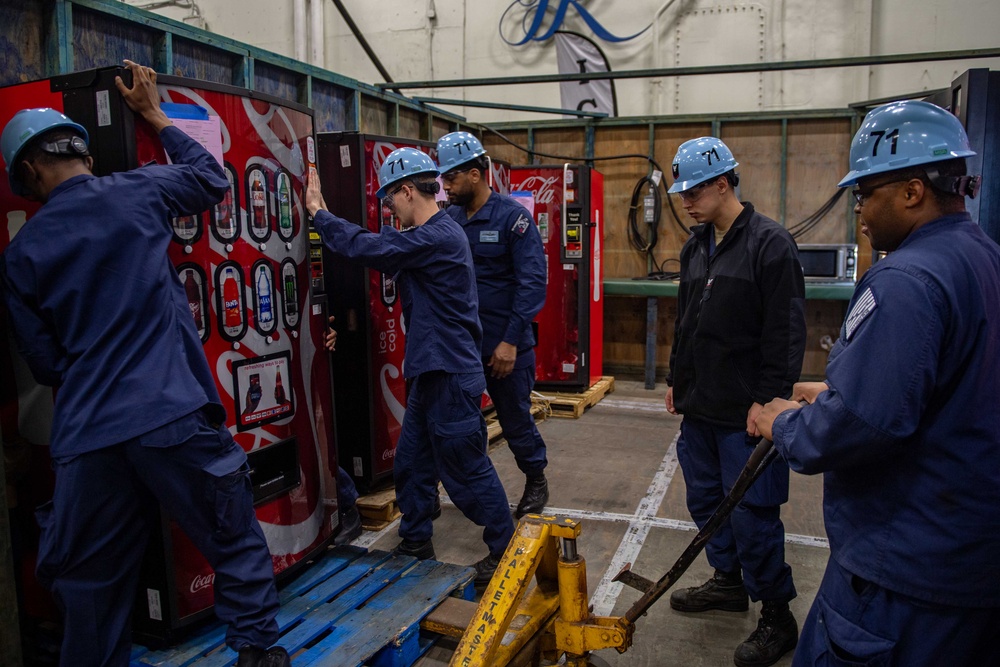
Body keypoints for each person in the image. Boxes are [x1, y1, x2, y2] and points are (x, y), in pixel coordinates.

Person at [0, 62, 289, 667]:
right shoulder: (140, 190)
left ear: (29, 171)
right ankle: (259, 657)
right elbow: (211, 178)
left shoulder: (22, 253)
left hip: (88, 435)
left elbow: (47, 363)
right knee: (232, 541)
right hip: (171, 413)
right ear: (81, 151)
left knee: (92, 586)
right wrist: (154, 115)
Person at [755, 100, 1000, 666]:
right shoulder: (981, 256)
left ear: (913, 191)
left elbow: (861, 425)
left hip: (904, 572)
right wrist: (837, 390)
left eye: (866, 192)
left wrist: (784, 424)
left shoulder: (905, 278)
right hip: (967, 558)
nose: (860, 209)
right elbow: (947, 385)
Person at [305, 147, 515, 586]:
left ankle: (506, 549)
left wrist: (320, 214)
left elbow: (371, 247)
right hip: (431, 370)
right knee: (412, 463)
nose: (387, 208)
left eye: (389, 200)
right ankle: (417, 539)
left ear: (406, 190)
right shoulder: (435, 234)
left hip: (450, 374)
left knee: (466, 468)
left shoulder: (437, 236)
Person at [664, 136, 806, 667]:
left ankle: (776, 613)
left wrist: (768, 402)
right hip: (701, 407)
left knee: (753, 513)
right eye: (682, 192)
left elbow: (786, 333)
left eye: (695, 190)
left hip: (747, 414)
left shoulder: (771, 245)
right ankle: (727, 581)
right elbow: (686, 321)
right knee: (706, 503)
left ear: (724, 183)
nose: (686, 201)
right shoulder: (696, 245)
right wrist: (679, 379)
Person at [436, 131, 550, 518]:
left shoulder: (511, 218)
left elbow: (532, 282)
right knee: (461, 424)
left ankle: (536, 478)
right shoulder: (449, 218)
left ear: (474, 174)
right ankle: (477, 492)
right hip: (462, 347)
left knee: (515, 420)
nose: (445, 185)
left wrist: (510, 342)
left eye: (451, 177)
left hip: (504, 346)